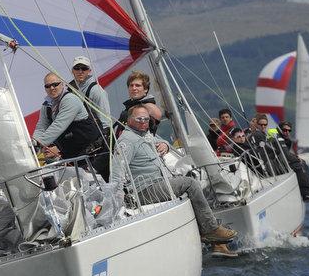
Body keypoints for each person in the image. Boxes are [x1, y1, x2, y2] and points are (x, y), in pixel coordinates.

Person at [111, 105, 237, 244]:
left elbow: (160, 141)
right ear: (129, 120)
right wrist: (117, 203)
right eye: (139, 118)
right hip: (145, 189)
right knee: (190, 184)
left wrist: (165, 144)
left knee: (192, 181)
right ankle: (211, 229)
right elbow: (117, 173)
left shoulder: (143, 134)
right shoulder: (127, 141)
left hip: (158, 182)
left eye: (146, 119)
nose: (143, 121)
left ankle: (214, 240)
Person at [32, 72, 100, 161]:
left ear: (62, 84)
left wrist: (40, 144)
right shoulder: (46, 105)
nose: (52, 88)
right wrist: (33, 145)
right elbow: (41, 127)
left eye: (55, 84)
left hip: (92, 152)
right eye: (47, 86)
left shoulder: (70, 99)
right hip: (72, 154)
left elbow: (59, 125)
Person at [68, 56, 111, 136]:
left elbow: (105, 120)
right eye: (77, 68)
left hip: (94, 136)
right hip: (78, 134)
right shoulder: (69, 89)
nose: (80, 71)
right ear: (72, 70)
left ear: (89, 71)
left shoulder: (96, 91)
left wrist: (105, 138)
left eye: (84, 68)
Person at [117, 71, 163, 135]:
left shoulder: (148, 105)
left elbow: (158, 114)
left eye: (138, 85)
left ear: (145, 89)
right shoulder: (130, 106)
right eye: (131, 85)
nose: (134, 88)